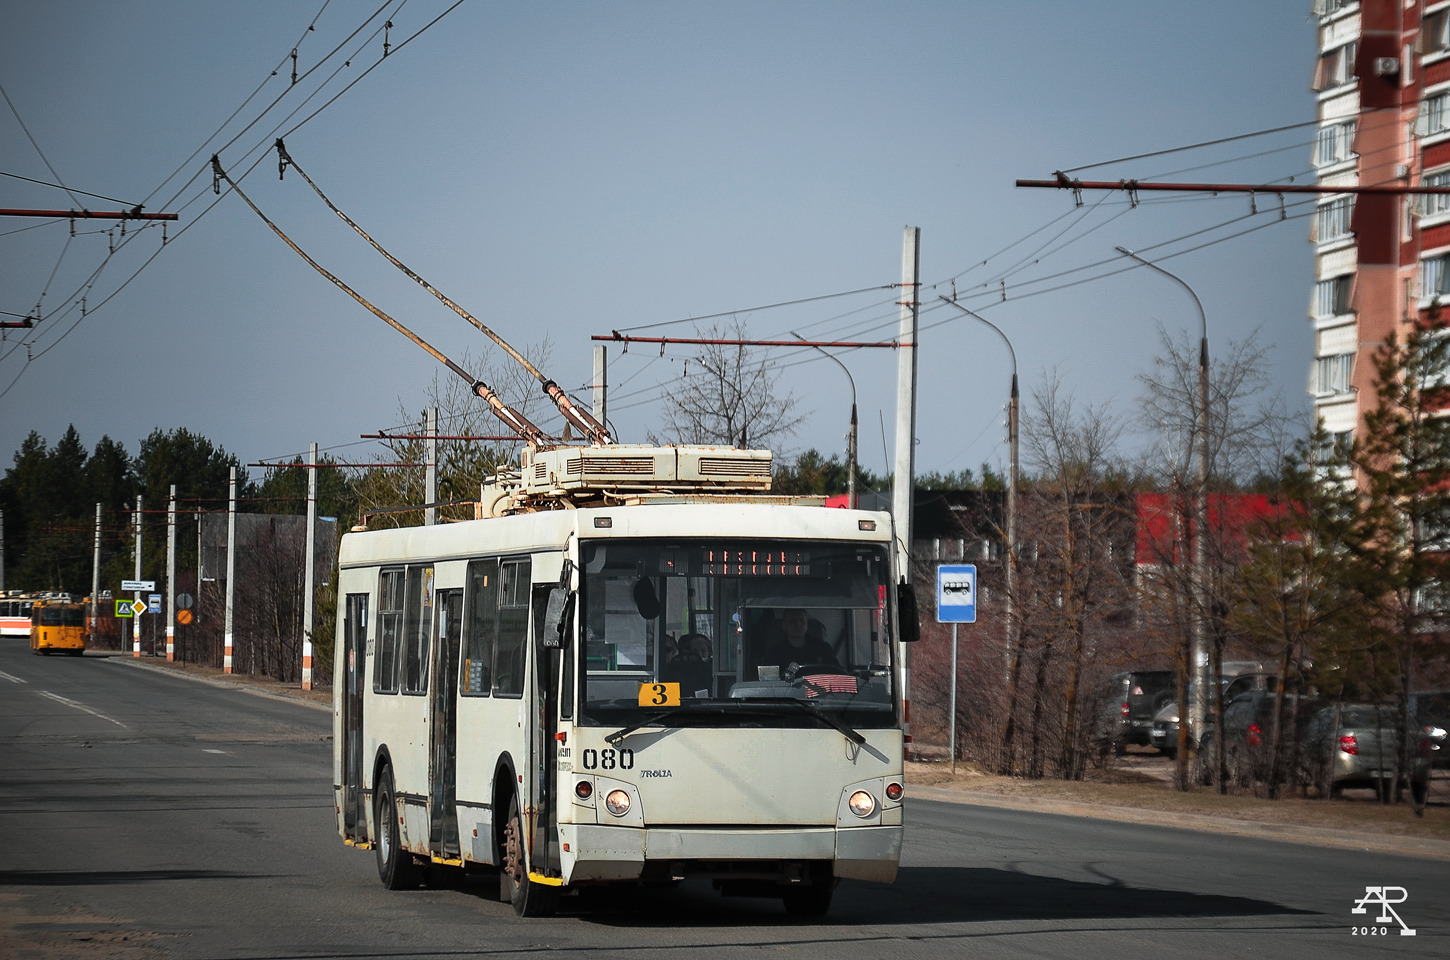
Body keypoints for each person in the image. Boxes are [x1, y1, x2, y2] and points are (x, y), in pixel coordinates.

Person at [761, 608, 837, 674]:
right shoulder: (775, 654)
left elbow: (838, 673)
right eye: (792, 621)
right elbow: (769, 681)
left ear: (807, 625)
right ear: (784, 625)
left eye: (801, 620)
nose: (798, 624)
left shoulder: (823, 649)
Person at [661, 632, 713, 697]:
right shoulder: (677, 669)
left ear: (709, 651)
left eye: (703, 650)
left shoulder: (714, 669)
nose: (700, 654)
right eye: (695, 651)